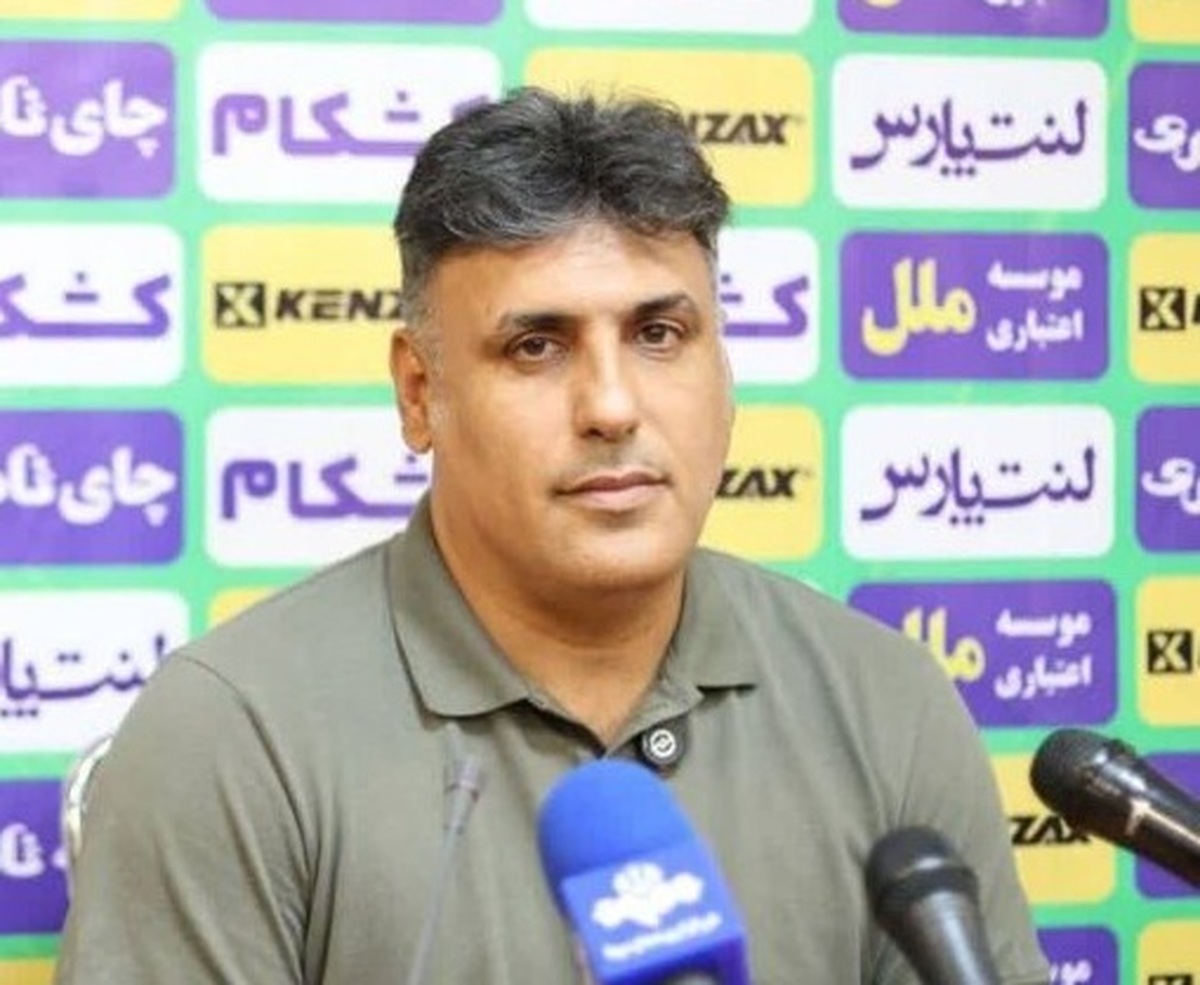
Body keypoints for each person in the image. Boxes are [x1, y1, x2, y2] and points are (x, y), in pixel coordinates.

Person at [55, 86, 1050, 984]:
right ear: (419, 392)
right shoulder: (233, 733)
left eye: (659, 334)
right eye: (536, 346)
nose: (612, 405)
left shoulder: (884, 701)